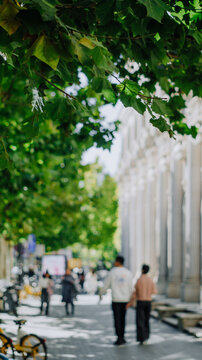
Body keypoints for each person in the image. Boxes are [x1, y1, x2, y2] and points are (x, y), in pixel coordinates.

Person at [100, 255, 133, 346]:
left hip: (116, 299)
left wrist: (101, 294)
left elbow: (106, 284)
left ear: (118, 262)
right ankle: (122, 336)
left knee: (117, 319)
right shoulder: (128, 273)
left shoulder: (112, 272)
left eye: (115, 261)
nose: (114, 262)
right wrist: (131, 299)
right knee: (123, 319)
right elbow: (131, 287)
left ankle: (119, 337)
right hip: (125, 299)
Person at [126, 264, 157, 345]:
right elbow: (154, 291)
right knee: (146, 319)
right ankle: (146, 336)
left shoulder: (139, 280)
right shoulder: (150, 280)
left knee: (140, 320)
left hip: (141, 301)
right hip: (148, 302)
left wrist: (130, 302)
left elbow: (135, 293)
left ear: (142, 270)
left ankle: (141, 337)